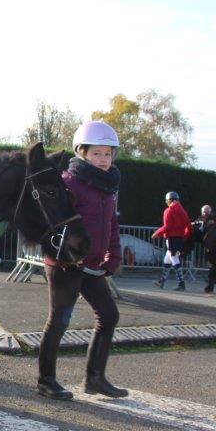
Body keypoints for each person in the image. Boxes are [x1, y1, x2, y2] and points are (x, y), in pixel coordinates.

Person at [37, 120, 127, 401]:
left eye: (108, 154)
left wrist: (114, 257)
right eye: (96, 153)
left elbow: (111, 225)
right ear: (81, 153)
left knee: (109, 315)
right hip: (65, 266)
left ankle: (95, 379)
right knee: (60, 320)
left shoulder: (107, 188)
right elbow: (49, 224)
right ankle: (46, 380)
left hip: (92, 266)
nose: (103, 160)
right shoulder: (68, 183)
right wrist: (62, 256)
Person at [152, 192, 192, 290]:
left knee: (174, 258)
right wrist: (184, 236)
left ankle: (181, 283)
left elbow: (167, 226)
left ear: (170, 200)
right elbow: (189, 226)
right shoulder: (183, 211)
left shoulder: (168, 211)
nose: (166, 202)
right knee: (167, 259)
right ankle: (162, 281)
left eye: (166, 200)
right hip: (179, 238)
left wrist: (157, 233)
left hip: (171, 238)